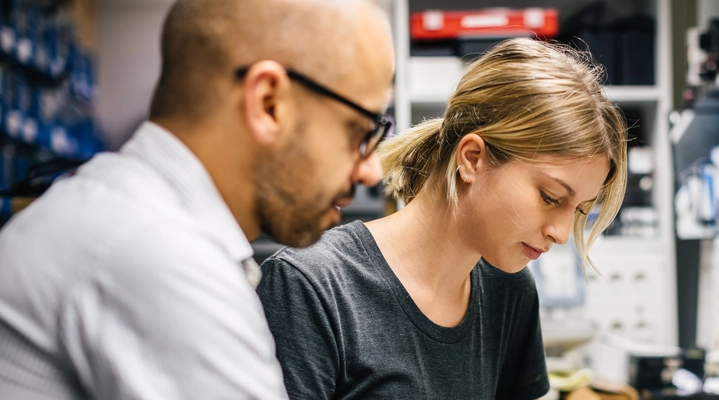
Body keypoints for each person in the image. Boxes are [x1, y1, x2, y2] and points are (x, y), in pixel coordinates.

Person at [0, 0, 395, 398]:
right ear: (268, 104)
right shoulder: (155, 251)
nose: (371, 172)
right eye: (359, 132)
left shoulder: (128, 212)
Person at [257, 37, 628, 399]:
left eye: (579, 209)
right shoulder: (310, 287)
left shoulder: (510, 291)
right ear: (472, 159)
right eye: (550, 197)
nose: (561, 233)